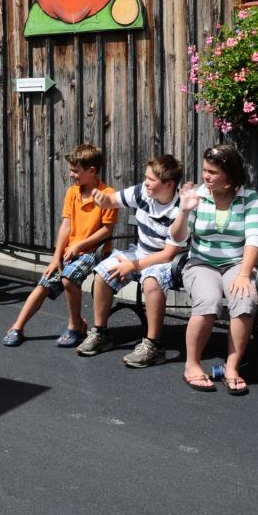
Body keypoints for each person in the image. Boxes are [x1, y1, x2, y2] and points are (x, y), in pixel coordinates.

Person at [169, 144, 258, 395]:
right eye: (204, 170)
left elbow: (253, 239)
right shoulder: (196, 196)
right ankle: (192, 364)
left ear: (229, 174)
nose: (206, 176)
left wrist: (244, 274)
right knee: (208, 301)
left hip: (235, 263)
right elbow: (177, 238)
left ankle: (232, 367)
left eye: (212, 172)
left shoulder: (249, 198)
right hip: (201, 262)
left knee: (244, 300)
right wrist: (184, 211)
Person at [2, 144, 116, 347]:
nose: (71, 174)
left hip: (94, 251)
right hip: (70, 251)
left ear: (91, 171)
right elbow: (66, 225)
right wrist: (56, 258)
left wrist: (80, 245)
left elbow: (107, 231)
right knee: (45, 281)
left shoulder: (107, 193)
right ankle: (17, 326)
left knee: (68, 278)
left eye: (75, 170)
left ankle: (75, 327)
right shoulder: (73, 193)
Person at [81, 154, 185, 364]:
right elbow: (112, 201)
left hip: (168, 261)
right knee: (103, 273)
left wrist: (133, 266)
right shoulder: (142, 192)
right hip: (139, 252)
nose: (145, 182)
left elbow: (168, 254)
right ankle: (100, 332)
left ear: (169, 184)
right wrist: (102, 200)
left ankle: (153, 345)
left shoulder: (181, 209)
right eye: (145, 177)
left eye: (151, 180)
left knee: (151, 281)